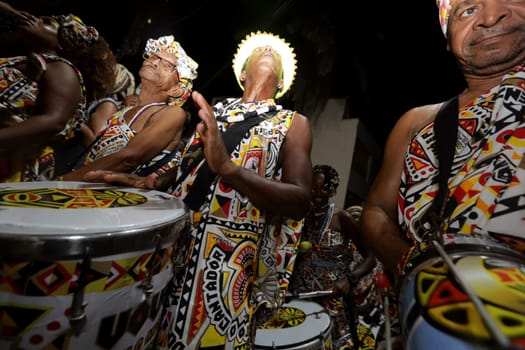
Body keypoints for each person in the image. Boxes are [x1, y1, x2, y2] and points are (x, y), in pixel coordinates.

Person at [84, 31, 313, 349]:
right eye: (259, 49)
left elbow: (301, 200)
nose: (266, 50)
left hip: (225, 261)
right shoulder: (215, 111)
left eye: (274, 53)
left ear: (283, 80)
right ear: (243, 73)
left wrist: (229, 169)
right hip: (173, 241)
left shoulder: (292, 122)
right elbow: (185, 165)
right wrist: (154, 183)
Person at [360, 0, 525, 347]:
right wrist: (411, 264)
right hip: (441, 316)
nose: (491, 16)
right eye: (468, 10)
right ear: (449, 38)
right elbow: (375, 211)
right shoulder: (418, 122)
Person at [0, 2, 116, 182]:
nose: (34, 20)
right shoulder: (25, 61)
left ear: (63, 43)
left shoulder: (62, 69)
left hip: (16, 170)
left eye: (45, 22)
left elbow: (53, 121)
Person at [58, 35, 198, 181]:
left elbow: (128, 159)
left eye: (168, 66)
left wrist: (63, 181)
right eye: (154, 56)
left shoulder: (173, 113)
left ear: (175, 90)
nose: (155, 62)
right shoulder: (124, 111)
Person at [289, 164, 376, 349]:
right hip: (302, 298)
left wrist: (349, 280)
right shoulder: (300, 216)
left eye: (324, 188)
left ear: (333, 190)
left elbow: (370, 259)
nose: (318, 193)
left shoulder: (341, 218)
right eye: (313, 188)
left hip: (335, 300)